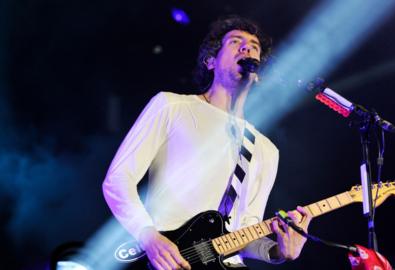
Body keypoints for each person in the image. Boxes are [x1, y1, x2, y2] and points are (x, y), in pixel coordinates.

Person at [103, 15, 312, 270]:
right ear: (210, 61)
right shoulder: (172, 106)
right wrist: (148, 236)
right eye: (236, 42)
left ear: (258, 74)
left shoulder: (267, 150)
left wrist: (277, 251)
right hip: (167, 260)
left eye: (254, 47)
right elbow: (118, 180)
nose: (246, 48)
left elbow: (243, 232)